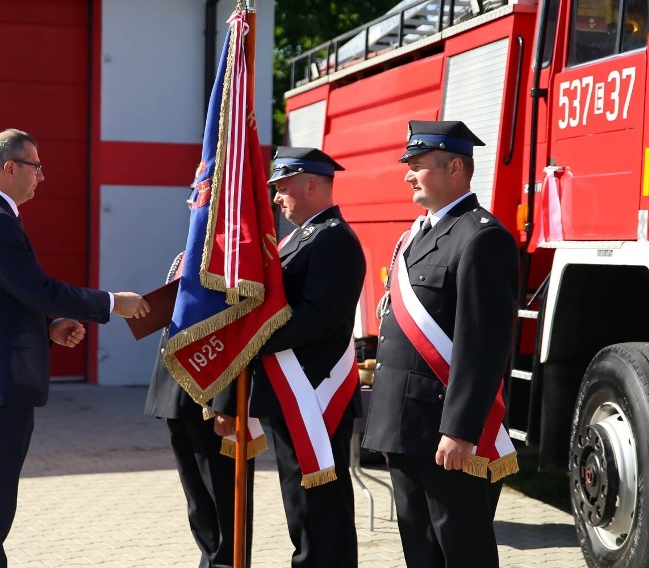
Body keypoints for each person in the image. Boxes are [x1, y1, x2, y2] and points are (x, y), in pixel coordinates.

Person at [0, 128, 150, 568]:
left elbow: (10, 296)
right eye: (36, 166)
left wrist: (50, 326)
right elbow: (36, 287)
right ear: (10, 167)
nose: (42, 176)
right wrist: (112, 302)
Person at [363, 120, 519, 568]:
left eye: (417, 166)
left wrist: (461, 430)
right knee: (422, 551)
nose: (407, 175)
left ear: (455, 167)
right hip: (405, 427)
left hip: (445, 432)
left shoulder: (481, 237)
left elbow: (483, 346)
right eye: (407, 166)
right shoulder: (417, 234)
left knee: (462, 550)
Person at [216, 146, 365, 567]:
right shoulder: (301, 237)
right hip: (289, 391)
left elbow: (320, 317)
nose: (277, 199)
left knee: (320, 512)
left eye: (282, 188)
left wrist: (253, 339)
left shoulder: (333, 237)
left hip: (313, 392)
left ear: (312, 185)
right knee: (302, 508)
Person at [144, 251, 255, 568]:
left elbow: (240, 328)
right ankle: (209, 562)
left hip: (213, 399)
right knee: (199, 504)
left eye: (201, 197)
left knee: (223, 506)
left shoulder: (233, 251)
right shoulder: (192, 249)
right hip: (178, 393)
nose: (194, 201)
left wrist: (228, 402)